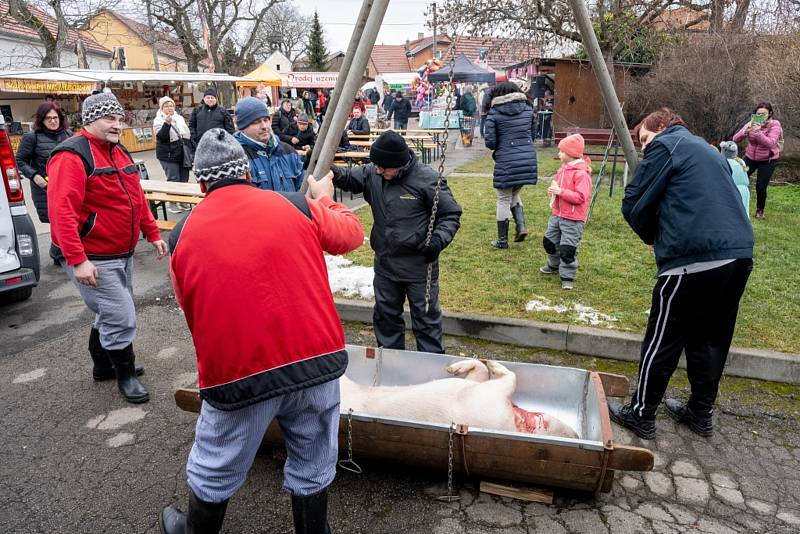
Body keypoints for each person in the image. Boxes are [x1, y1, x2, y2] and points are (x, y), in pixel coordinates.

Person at [160, 128, 364, 534]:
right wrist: (323, 197)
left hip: (239, 374)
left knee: (216, 461)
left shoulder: (181, 235)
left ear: (201, 182)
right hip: (315, 363)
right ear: (248, 172)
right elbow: (351, 235)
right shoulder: (295, 205)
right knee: (313, 454)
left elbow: (189, 306)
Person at [609, 108, 754, 440]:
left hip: (693, 258)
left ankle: (642, 413)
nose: (644, 148)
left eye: (644, 138)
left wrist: (653, 238)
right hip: (738, 255)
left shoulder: (667, 144)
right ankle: (701, 413)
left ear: (661, 126)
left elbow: (633, 203)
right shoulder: (707, 150)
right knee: (711, 337)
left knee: (663, 337)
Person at [46, 92, 168, 403]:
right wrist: (78, 259)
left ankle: (103, 365)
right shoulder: (71, 156)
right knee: (121, 315)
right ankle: (124, 375)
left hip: (121, 252)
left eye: (118, 118)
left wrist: (152, 233)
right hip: (93, 256)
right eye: (108, 118)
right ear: (90, 120)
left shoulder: (119, 150)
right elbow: (61, 212)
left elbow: (137, 198)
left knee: (111, 311)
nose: (117, 124)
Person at [331, 131, 462, 353]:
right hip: (385, 264)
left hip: (419, 265)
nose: (379, 171)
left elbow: (450, 214)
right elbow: (347, 178)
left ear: (400, 164)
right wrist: (327, 168)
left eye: (385, 167)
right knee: (386, 318)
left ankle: (430, 373)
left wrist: (438, 240)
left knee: (426, 321)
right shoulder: (375, 172)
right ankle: (390, 366)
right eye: (377, 166)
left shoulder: (427, 180)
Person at [15, 101, 72, 263]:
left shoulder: (68, 135)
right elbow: (20, 161)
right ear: (41, 120)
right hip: (44, 188)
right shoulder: (31, 137)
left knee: (67, 219)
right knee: (57, 220)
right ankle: (59, 254)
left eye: (55, 117)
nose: (53, 121)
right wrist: (34, 176)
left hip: (67, 186)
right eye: (48, 118)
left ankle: (59, 252)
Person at [483, 82, 537, 249]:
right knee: (513, 192)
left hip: (506, 160)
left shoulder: (494, 113)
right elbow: (533, 135)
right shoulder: (528, 110)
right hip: (527, 159)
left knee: (503, 197)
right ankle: (521, 227)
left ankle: (502, 241)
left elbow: (491, 142)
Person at [539, 134, 592, 290]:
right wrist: (553, 191)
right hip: (557, 215)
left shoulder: (581, 174)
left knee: (568, 248)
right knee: (549, 241)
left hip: (573, 219)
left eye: (562, 151)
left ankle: (567, 276)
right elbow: (558, 188)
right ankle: (553, 265)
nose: (559, 154)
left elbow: (581, 197)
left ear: (572, 153)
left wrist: (560, 192)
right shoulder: (562, 170)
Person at [234, 97, 304, 192]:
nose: (264, 126)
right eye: (256, 122)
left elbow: (302, 191)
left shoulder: (289, 151)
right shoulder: (236, 159)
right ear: (242, 127)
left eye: (266, 120)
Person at [732, 102, 782, 219]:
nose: (761, 116)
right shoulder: (752, 123)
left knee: (760, 185)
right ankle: (734, 205)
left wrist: (758, 132)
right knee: (738, 178)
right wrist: (745, 131)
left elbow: (771, 143)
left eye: (763, 114)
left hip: (768, 159)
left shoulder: (775, 125)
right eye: (758, 113)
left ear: (770, 114)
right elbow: (735, 138)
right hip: (751, 157)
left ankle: (760, 210)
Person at [154, 96, 192, 213]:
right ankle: (173, 203)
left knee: (184, 178)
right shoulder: (158, 120)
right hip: (167, 154)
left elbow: (186, 135)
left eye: (171, 105)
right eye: (166, 106)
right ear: (162, 108)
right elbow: (161, 137)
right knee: (173, 179)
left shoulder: (179, 118)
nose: (169, 108)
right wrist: (167, 124)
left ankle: (183, 201)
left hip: (181, 152)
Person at [720, 140, 751, 217]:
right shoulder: (741, 161)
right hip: (745, 191)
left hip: (732, 189)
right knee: (744, 210)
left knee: (732, 212)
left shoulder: (725, 162)